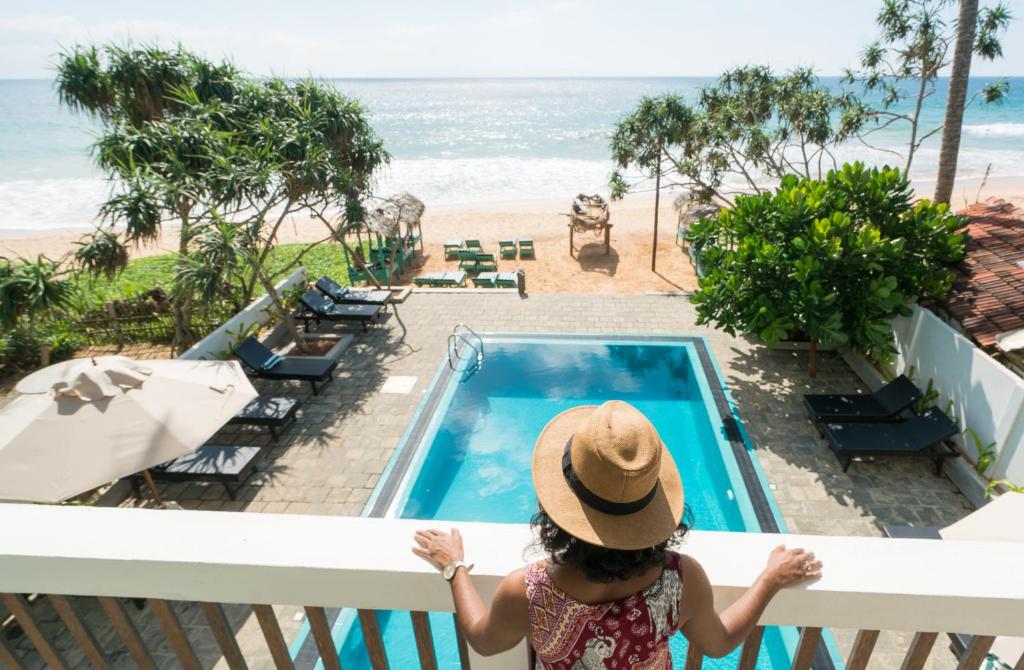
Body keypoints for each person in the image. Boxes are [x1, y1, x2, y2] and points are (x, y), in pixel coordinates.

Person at [413, 400, 822, 668]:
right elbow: (717, 643)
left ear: (559, 510)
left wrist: (454, 568)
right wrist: (769, 580)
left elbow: (483, 642)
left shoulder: (528, 591)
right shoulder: (681, 579)